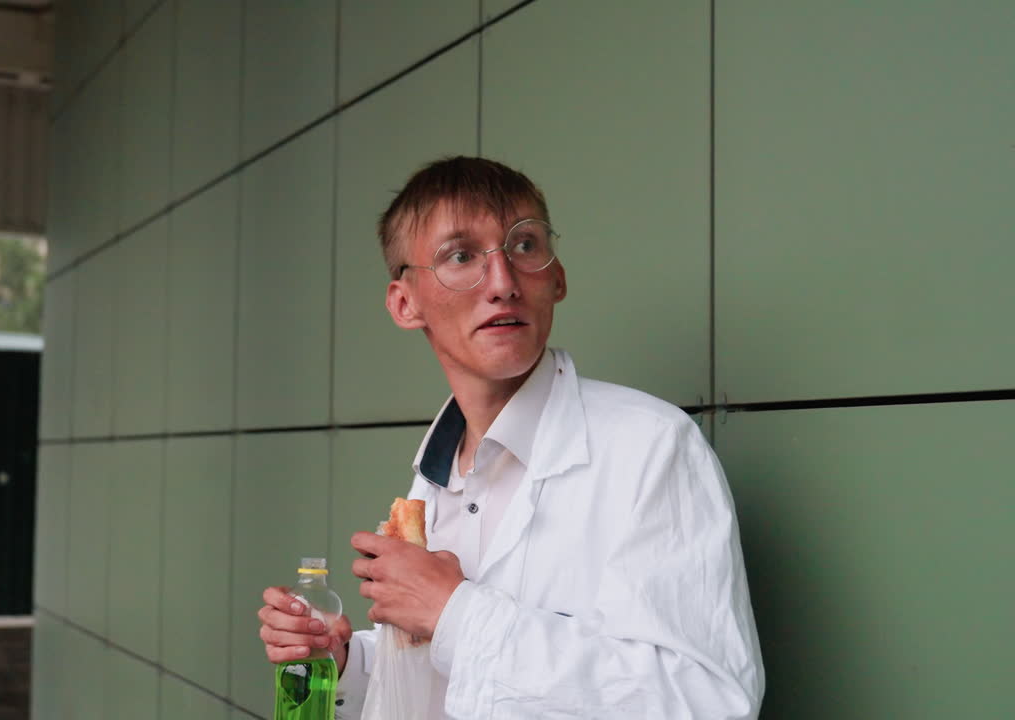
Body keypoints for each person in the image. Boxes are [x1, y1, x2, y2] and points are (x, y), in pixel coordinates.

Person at [258, 157, 764, 718]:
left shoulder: (652, 447)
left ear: (557, 277)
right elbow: (450, 678)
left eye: (524, 246)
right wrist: (349, 659)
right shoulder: (434, 477)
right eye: (461, 256)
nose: (502, 283)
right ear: (405, 304)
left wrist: (454, 612)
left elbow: (708, 700)